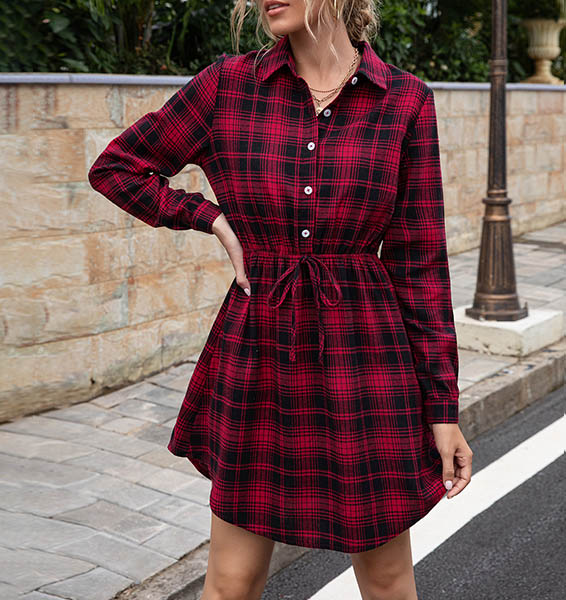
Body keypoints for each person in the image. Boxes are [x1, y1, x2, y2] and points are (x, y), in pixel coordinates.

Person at [88, 0, 474, 598]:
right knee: (232, 581)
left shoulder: (405, 101)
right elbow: (117, 168)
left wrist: (442, 409)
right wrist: (210, 218)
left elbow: (419, 263)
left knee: (387, 579)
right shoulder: (227, 87)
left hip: (364, 361)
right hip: (259, 353)